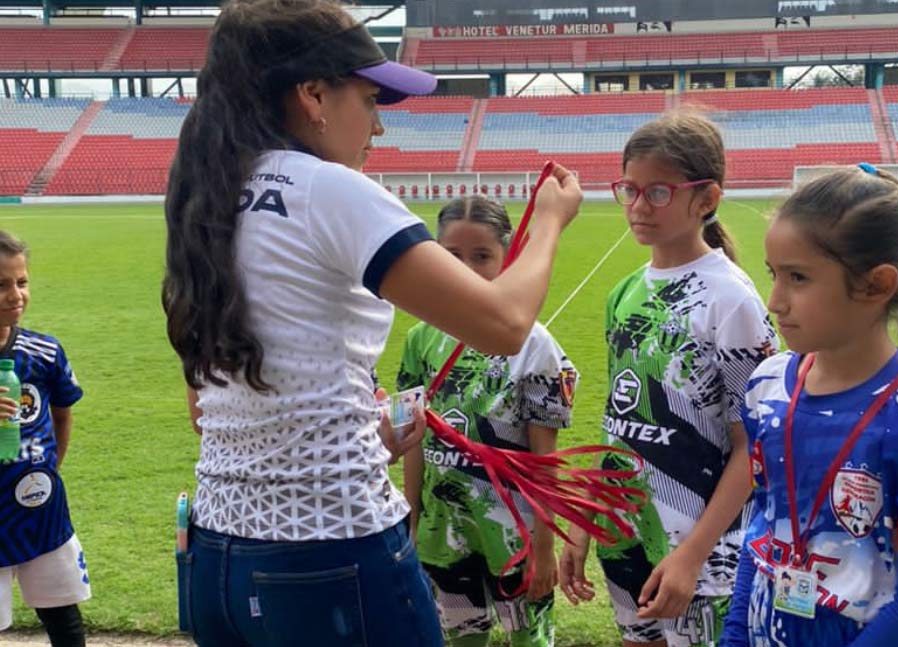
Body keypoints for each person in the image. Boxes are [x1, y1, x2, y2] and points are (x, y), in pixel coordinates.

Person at [161, 1, 582, 645]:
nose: (378, 126)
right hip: (331, 552)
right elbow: (503, 324)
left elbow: (213, 403)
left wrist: (354, 426)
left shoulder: (208, 193)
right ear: (312, 95)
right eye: (369, 98)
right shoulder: (327, 188)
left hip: (217, 553)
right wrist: (549, 220)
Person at [720, 165, 898, 647]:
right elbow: (762, 531)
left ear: (876, 285)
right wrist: (735, 636)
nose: (774, 301)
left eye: (798, 278)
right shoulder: (766, 386)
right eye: (773, 275)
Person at [559, 111, 777, 647]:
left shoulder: (732, 300)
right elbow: (620, 423)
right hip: (627, 533)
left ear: (706, 199)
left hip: (700, 554)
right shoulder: (625, 292)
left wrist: (692, 554)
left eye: (657, 192)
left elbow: (753, 446)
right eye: (628, 189)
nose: (636, 206)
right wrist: (589, 522)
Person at [398, 196, 577, 647]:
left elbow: (545, 460)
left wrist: (542, 546)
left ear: (509, 257)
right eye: (452, 257)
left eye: (482, 257)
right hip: (443, 531)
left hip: (513, 533)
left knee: (528, 640)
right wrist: (413, 516)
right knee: (460, 639)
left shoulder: (535, 347)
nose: (466, 269)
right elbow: (412, 440)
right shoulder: (420, 338)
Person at [0, 231, 88, 647]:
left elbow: (63, 414)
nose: (15, 294)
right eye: (1, 284)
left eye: (21, 282)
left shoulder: (44, 352)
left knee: (62, 614)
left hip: (40, 509)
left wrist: (50, 469)